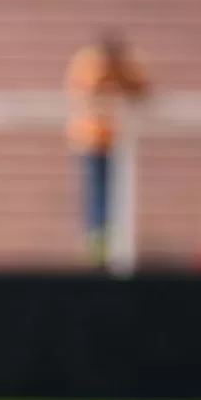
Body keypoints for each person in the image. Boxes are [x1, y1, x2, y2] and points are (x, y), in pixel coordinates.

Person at [65, 30, 149, 269]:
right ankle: (98, 244)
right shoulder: (90, 64)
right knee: (97, 194)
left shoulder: (128, 66)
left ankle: (113, 240)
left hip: (118, 144)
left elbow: (141, 89)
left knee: (117, 191)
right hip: (93, 143)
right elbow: (87, 92)